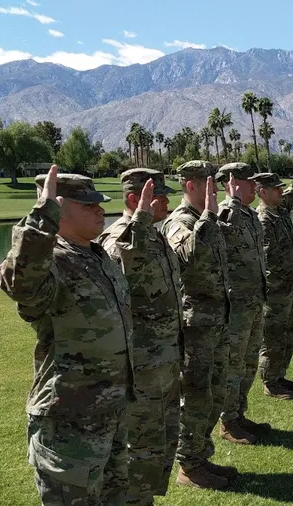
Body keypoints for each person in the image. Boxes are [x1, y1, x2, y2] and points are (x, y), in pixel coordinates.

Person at [0, 165, 135, 505]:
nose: (100, 209)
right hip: (68, 424)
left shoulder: (97, 256)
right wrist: (42, 217)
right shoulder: (52, 263)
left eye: (99, 203)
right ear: (58, 208)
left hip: (110, 413)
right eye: (88, 205)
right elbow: (20, 283)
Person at [97, 168, 182, 505]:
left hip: (165, 358)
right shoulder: (119, 238)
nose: (168, 201)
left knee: (160, 441)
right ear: (136, 200)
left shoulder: (154, 235)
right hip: (141, 366)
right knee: (140, 446)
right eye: (159, 196)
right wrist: (141, 225)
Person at [160, 160, 235, 490]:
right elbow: (191, 255)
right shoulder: (180, 222)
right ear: (190, 185)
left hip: (216, 324)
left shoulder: (210, 221)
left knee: (215, 395)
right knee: (195, 397)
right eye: (209, 183)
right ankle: (188, 466)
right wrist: (208, 216)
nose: (215, 189)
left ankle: (200, 457)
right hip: (195, 330)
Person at [214, 162, 272, 444]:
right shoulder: (226, 212)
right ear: (231, 184)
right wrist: (233, 201)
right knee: (233, 366)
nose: (255, 187)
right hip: (235, 306)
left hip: (253, 302)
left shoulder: (249, 215)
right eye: (249, 182)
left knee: (248, 364)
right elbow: (222, 234)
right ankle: (227, 422)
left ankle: (238, 415)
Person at [253, 163, 293, 398]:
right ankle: (270, 382)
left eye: (279, 188)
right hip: (275, 290)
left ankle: (280, 375)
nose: (280, 191)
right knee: (273, 337)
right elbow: (270, 262)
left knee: (289, 332)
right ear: (262, 192)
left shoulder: (280, 208)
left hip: (290, 288)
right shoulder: (263, 219)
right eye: (275, 189)